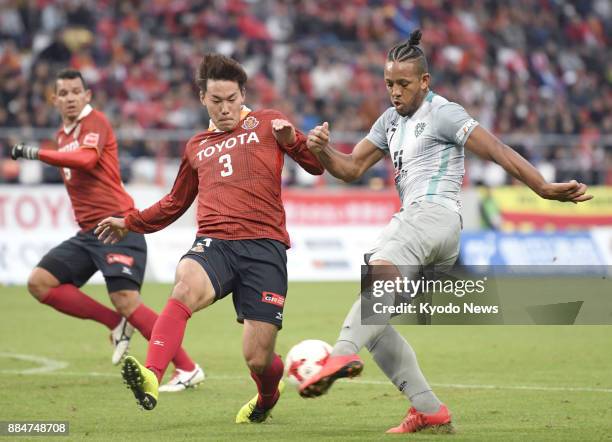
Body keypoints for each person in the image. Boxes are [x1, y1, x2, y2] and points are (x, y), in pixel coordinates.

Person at [301, 30, 592, 434]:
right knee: (374, 316)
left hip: (432, 214)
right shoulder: (388, 121)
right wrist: (322, 151)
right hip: (435, 236)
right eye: (389, 84)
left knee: (378, 275)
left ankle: (338, 355)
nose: (395, 92)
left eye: (403, 84)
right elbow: (350, 169)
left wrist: (541, 186)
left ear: (424, 81)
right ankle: (428, 408)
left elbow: (497, 150)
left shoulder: (443, 112)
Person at [95, 54, 324, 421]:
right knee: (184, 283)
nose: (225, 108)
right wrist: (130, 221)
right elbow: (174, 203)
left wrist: (294, 142)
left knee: (258, 357)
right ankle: (152, 376)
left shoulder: (268, 122)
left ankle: (267, 397)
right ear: (202, 98)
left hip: (264, 247)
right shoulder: (196, 146)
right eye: (216, 101)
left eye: (232, 99)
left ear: (242, 94)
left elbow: (316, 165)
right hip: (214, 243)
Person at [10, 69, 204, 392]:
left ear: (87, 97)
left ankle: (187, 368)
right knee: (40, 283)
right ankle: (116, 323)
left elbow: (86, 161)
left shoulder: (95, 122)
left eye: (76, 92)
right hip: (89, 233)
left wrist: (34, 152)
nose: (71, 98)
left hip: (117, 225)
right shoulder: (62, 136)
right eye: (64, 93)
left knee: (127, 299)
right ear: (54, 99)